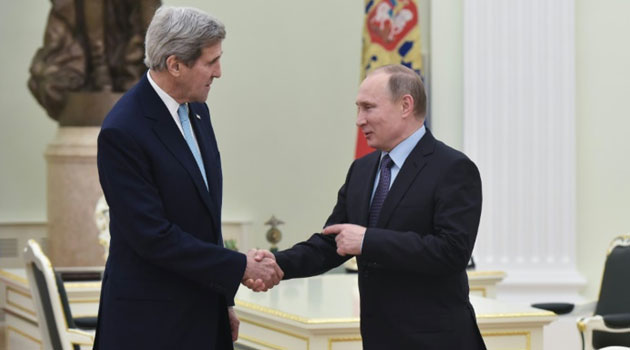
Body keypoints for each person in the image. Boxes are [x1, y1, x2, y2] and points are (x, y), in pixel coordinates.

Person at [253, 64, 486, 349]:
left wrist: (368, 240)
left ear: (405, 105)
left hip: (437, 341)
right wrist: (276, 263)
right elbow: (333, 242)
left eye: (368, 108)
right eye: (358, 108)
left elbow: (451, 252)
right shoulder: (362, 170)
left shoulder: (452, 168)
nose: (359, 120)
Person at [95, 6, 282, 350]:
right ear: (175, 64)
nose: (219, 72)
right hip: (151, 325)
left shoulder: (197, 110)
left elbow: (205, 217)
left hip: (202, 310)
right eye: (210, 62)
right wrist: (239, 266)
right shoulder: (122, 130)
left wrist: (224, 300)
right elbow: (152, 236)